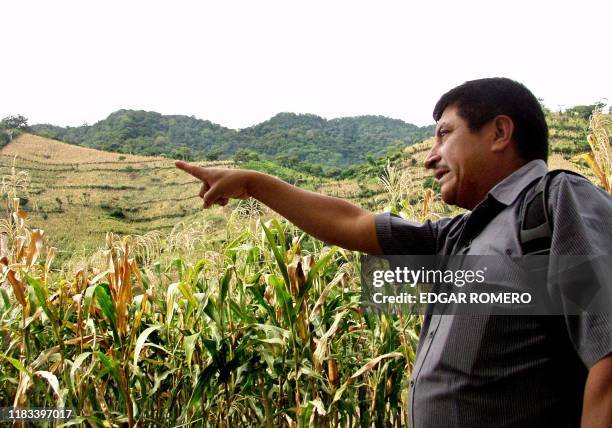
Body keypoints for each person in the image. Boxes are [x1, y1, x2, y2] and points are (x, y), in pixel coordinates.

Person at [176, 77, 612, 427]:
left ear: (500, 132)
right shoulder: (456, 237)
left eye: (444, 135)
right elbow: (351, 223)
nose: (430, 157)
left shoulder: (556, 202)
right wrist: (253, 183)